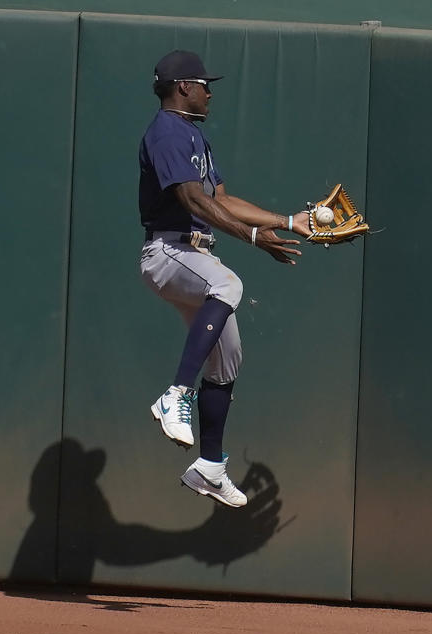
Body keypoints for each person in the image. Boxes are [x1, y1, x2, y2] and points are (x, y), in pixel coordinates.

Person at [138, 50, 311, 508]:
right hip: (170, 252)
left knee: (228, 357)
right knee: (229, 286)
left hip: (193, 253)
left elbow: (222, 200)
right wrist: (255, 238)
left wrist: (288, 221)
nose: (210, 92)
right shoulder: (167, 132)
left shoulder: (193, 135)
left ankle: (209, 467)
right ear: (183, 87)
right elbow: (193, 201)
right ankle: (174, 396)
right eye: (204, 84)